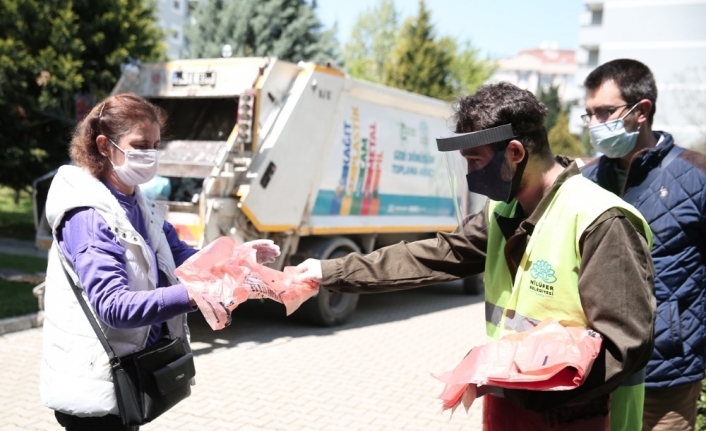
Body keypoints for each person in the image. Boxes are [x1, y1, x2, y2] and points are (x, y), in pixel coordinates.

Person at [294, 82, 656, 430]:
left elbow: (622, 345)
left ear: (515, 153)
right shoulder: (501, 212)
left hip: (584, 417)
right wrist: (328, 271)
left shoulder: (601, 220)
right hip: (514, 406)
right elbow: (434, 255)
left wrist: (520, 383)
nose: (470, 174)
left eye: (475, 160)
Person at [39, 93, 279, 431]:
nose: (150, 154)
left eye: (155, 144)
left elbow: (183, 259)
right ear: (105, 146)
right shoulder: (89, 217)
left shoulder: (140, 205)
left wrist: (237, 257)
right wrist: (194, 294)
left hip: (129, 377)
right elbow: (114, 307)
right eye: (140, 145)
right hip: (96, 393)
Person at [581, 58, 706, 431]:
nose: (594, 124)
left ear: (641, 111)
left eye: (605, 112)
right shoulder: (586, 180)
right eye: (588, 114)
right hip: (596, 368)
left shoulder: (696, 175)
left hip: (666, 371)